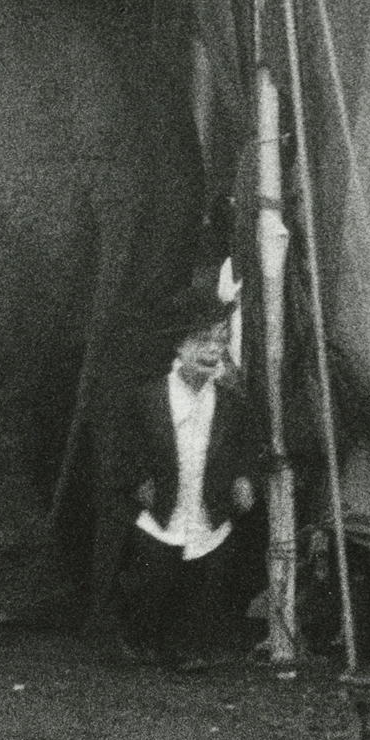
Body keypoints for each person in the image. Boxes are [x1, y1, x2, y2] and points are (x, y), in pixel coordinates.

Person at [114, 285, 261, 669]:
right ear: (178, 347)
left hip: (207, 506)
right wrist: (138, 479)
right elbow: (123, 447)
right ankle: (137, 640)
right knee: (150, 576)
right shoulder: (149, 398)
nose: (213, 350)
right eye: (201, 341)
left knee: (206, 580)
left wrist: (245, 479)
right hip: (161, 507)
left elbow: (245, 448)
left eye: (220, 341)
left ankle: (190, 648)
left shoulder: (231, 403)